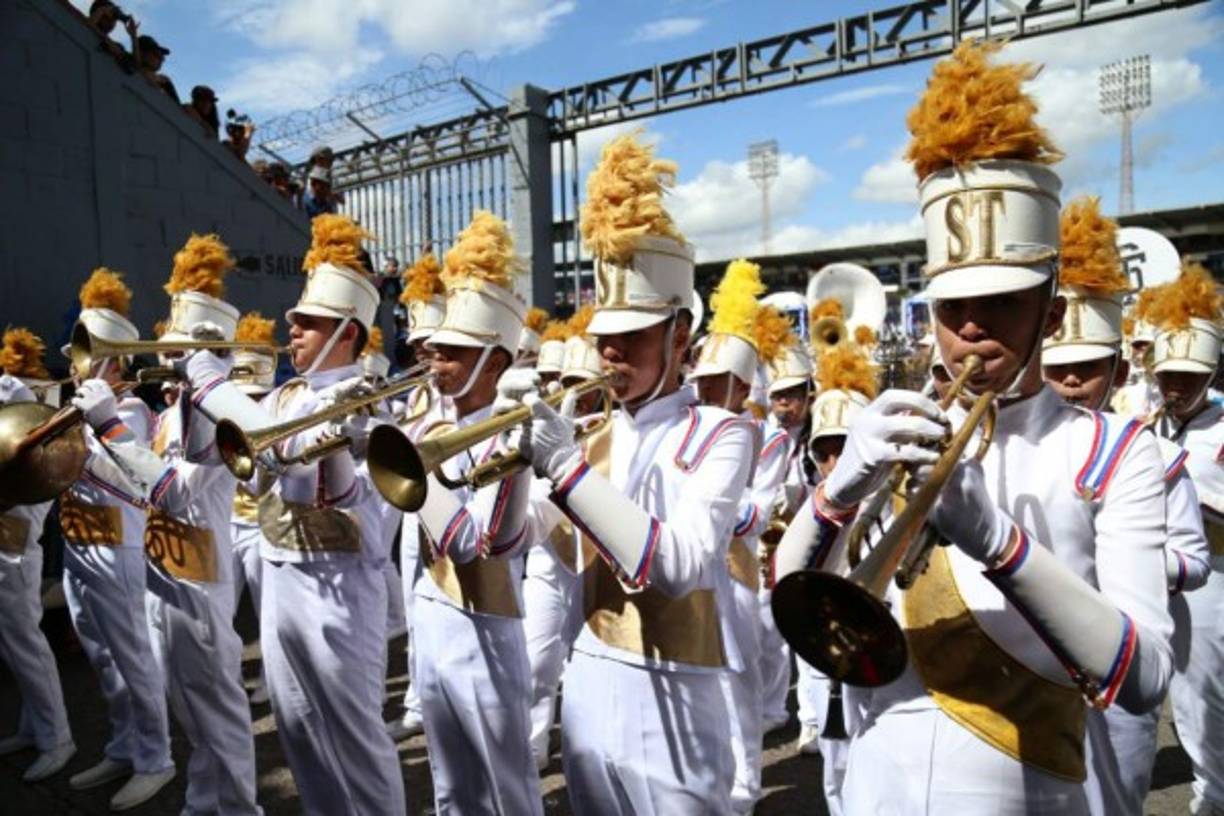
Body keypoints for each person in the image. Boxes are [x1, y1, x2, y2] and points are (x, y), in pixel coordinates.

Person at [776, 42, 1172, 815]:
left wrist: (995, 539)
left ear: (1051, 313)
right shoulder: (900, 427)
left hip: (1027, 788)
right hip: (876, 776)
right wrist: (839, 491)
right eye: (953, 309)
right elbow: (789, 596)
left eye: (1002, 305)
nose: (973, 331)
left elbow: (1145, 673)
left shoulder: (1117, 452)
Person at [518, 134, 754, 813]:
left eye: (636, 332)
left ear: (681, 333)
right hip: (589, 681)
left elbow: (678, 566)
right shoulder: (591, 437)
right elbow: (514, 539)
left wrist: (560, 466)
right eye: (606, 334)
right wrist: (512, 457)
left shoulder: (721, 432)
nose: (612, 348)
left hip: (678, 694)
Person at [77, 236, 265, 814]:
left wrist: (109, 429)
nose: (168, 353)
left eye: (180, 346)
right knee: (191, 711)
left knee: (218, 712)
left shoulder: (211, 415)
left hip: (200, 579)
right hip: (169, 573)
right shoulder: (176, 409)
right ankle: (204, 802)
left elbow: (173, 494)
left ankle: (237, 807)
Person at [1040, 198, 1210, 816]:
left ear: (1116, 373)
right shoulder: (1019, 453)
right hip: (1037, 672)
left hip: (1120, 665)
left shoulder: (1154, 456)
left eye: (1087, 369)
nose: (1071, 383)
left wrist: (1129, 562)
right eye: (1058, 370)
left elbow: (1192, 561)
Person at [241, 214, 404, 815]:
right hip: (278, 577)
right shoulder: (283, 396)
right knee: (297, 727)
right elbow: (252, 478)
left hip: (337, 588)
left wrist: (340, 441)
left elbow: (361, 526)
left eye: (309, 323)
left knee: (354, 737)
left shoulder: (378, 413)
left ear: (349, 333)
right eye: (296, 320)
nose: (293, 330)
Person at [386, 210, 542, 814]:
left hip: (486, 622)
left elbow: (478, 542)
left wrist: (415, 473)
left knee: (505, 785)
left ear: (494, 363)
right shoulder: (432, 420)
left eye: (452, 353)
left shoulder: (511, 434)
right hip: (432, 611)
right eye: (436, 351)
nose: (435, 361)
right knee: (450, 782)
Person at [59, 268, 176, 811]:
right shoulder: (79, 408)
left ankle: (157, 757)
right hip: (79, 544)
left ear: (111, 359)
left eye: (85, 352)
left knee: (133, 657)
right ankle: (123, 744)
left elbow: (130, 478)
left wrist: (90, 427)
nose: (74, 363)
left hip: (118, 546)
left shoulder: (127, 409)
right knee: (102, 656)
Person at [688, 259, 795, 814]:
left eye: (716, 382)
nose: (706, 391)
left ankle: (746, 782)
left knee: (737, 678)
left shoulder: (766, 439)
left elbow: (759, 510)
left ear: (741, 384)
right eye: (702, 381)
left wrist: (711, 511)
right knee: (697, 675)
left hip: (734, 569)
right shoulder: (686, 425)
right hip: (690, 567)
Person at [1139, 262, 1224, 816]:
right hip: (1156, 571)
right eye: (1169, 375)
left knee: (1205, 690)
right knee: (1164, 690)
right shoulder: (1146, 420)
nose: (1176, 386)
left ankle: (1213, 795)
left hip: (1214, 574)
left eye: (1189, 377)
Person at [521, 307, 598, 769]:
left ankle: (583, 756)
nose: (576, 396)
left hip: (595, 567)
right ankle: (532, 747)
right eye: (569, 384)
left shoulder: (614, 429)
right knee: (534, 661)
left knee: (588, 672)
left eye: (585, 387)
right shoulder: (551, 424)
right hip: (549, 561)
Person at [0, 330, 76, 783]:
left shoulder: (38, 447)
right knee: (14, 647)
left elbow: (32, 502)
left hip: (14, 551)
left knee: (25, 645)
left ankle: (58, 738)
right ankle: (34, 728)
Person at [759, 338, 814, 736]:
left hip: (814, 535)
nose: (785, 405)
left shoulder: (824, 429)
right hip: (772, 541)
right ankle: (773, 708)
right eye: (778, 397)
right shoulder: (763, 433)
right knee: (768, 628)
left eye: (793, 396)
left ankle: (813, 720)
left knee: (808, 632)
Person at [228, 312, 279, 706]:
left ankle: (271, 678)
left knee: (268, 613)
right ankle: (227, 675)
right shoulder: (227, 414)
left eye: (255, 398)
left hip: (262, 523)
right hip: (229, 521)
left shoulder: (275, 414)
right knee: (221, 608)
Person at [136, 34, 178, 103]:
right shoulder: (127, 62)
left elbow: (177, 108)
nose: (161, 59)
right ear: (141, 52)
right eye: (155, 54)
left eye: (161, 57)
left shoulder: (164, 82)